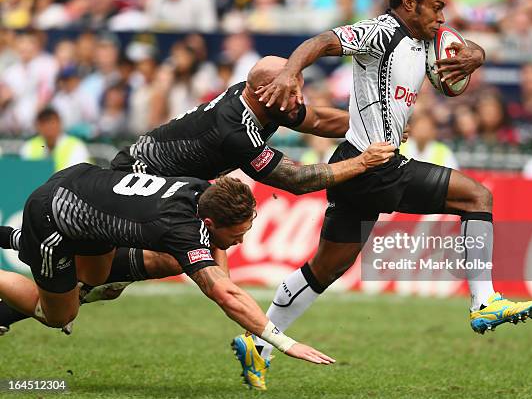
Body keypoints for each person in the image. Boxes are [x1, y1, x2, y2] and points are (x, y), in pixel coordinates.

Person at [243, 0, 532, 390]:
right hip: (375, 164)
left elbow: (463, 48)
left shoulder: (427, 40)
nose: (442, 16)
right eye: (435, 7)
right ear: (408, 4)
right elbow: (321, 42)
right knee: (477, 197)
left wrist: (479, 55)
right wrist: (291, 71)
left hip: (356, 164)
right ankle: (483, 301)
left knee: (325, 269)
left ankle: (258, 342)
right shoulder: (381, 32)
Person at [0, 56, 395, 347]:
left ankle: (26, 256)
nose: (299, 98)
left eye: (299, 89)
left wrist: (373, 123)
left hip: (165, 180)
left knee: (105, 279)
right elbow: (295, 179)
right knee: (147, 265)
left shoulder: (265, 99)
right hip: (140, 177)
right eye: (293, 90)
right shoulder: (235, 131)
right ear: (264, 91)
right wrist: (363, 161)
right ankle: (37, 275)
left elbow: (317, 121)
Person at [0, 163, 335, 366]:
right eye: (238, 233)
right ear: (210, 223)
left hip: (84, 188)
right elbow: (225, 294)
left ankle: (14, 240)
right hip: (52, 216)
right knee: (59, 314)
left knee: (97, 278)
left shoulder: (204, 193)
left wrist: (247, 322)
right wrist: (285, 343)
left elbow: (219, 269)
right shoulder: (179, 229)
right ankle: (24, 260)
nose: (241, 242)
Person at [20, 107, 91, 171]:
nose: (48, 127)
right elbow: (26, 173)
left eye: (52, 122)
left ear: (59, 123)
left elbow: (80, 176)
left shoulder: (76, 146)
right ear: (38, 126)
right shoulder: (29, 146)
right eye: (44, 123)